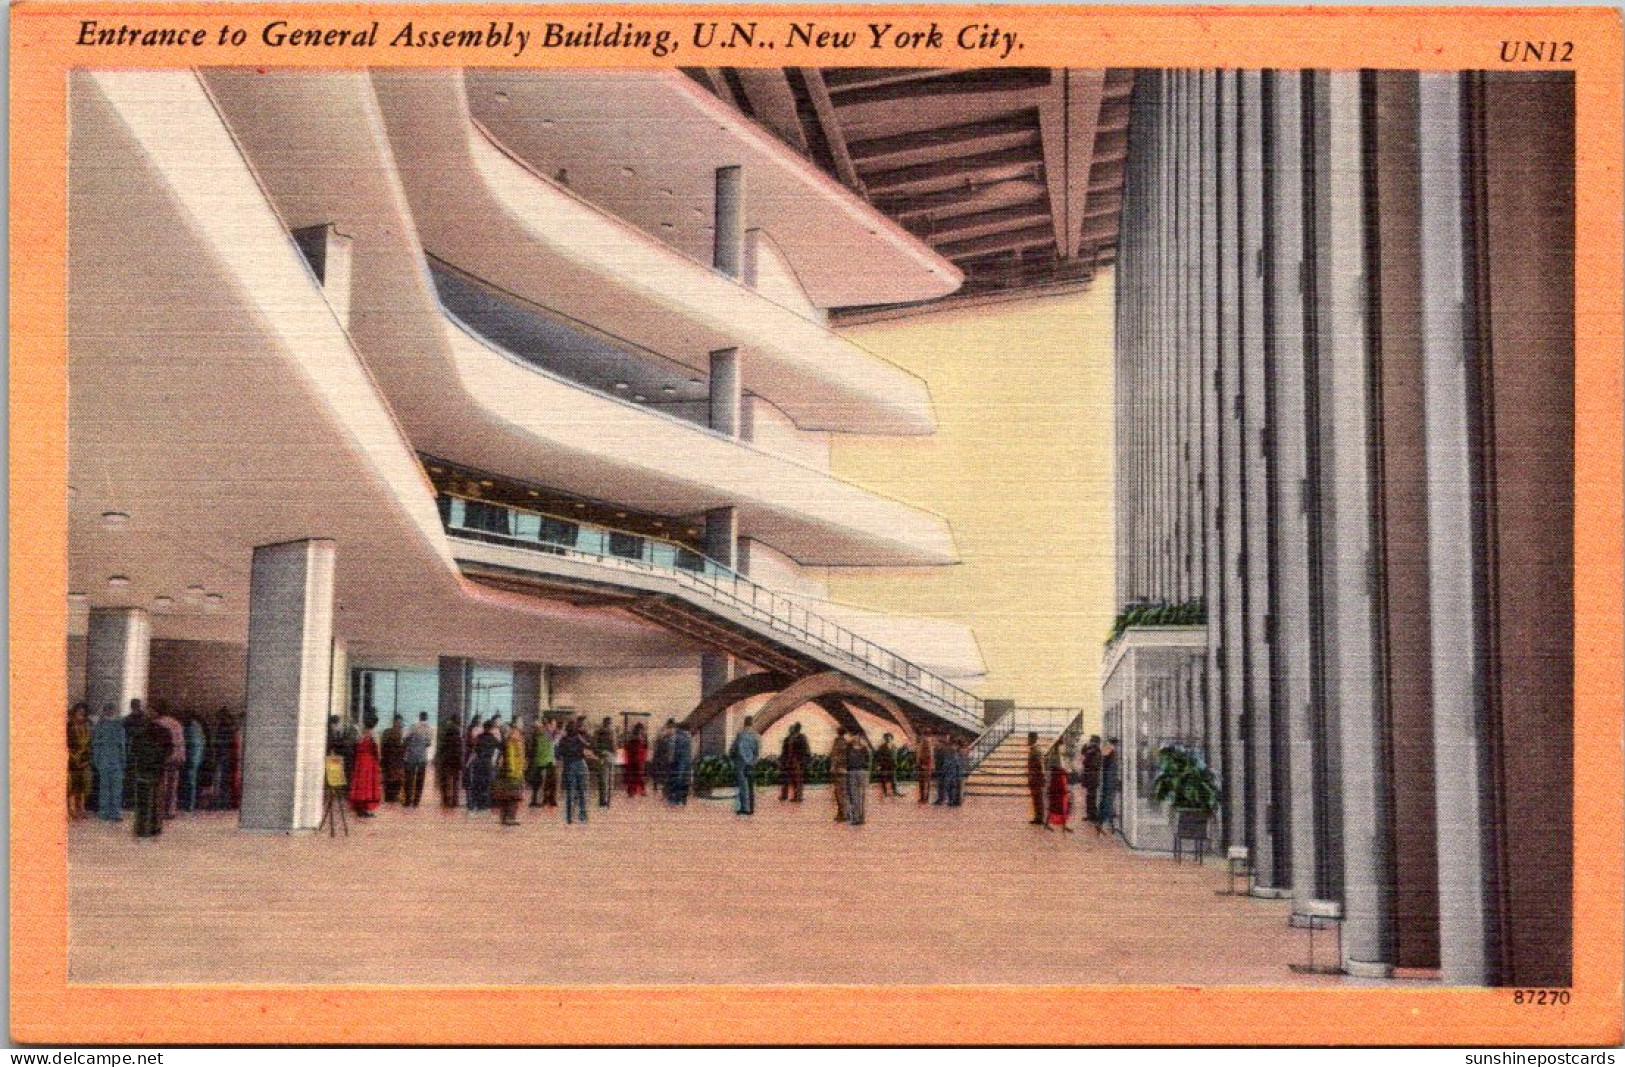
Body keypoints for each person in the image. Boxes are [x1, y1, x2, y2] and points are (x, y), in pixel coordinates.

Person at [129, 701, 171, 838]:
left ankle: (142, 828)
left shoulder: (140, 732)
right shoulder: (164, 732)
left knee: (143, 799)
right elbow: (168, 750)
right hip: (156, 769)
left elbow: (133, 750)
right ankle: (154, 828)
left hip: (143, 769)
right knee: (155, 799)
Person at [90, 703, 127, 822]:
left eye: (112, 709)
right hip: (106, 760)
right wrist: (96, 760)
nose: (111, 712)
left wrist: (123, 760)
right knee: (106, 787)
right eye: (109, 710)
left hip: (112, 760)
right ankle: (106, 812)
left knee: (114, 787)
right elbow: (95, 745)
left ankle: (113, 812)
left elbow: (122, 746)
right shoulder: (101, 726)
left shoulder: (116, 726)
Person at [556, 719, 597, 824]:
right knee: (582, 791)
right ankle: (582, 816)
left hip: (568, 765)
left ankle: (569, 817)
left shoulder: (563, 740)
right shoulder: (579, 738)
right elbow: (590, 746)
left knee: (570, 792)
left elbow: (558, 754)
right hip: (580, 764)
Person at [153, 703, 185, 820]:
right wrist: (182, 756)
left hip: (164, 757)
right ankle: (171, 811)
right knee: (173, 785)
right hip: (177, 757)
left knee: (162, 785)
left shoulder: (158, 723)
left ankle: (161, 810)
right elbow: (181, 742)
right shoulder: (177, 723)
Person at [349, 715, 384, 818]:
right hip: (370, 762)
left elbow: (355, 746)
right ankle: (367, 808)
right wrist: (379, 761)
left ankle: (360, 807)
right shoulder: (374, 734)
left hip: (360, 762)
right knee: (369, 785)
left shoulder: (360, 734)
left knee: (360, 784)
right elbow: (377, 750)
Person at [494, 717, 527, 825]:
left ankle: (505, 817)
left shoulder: (514, 736)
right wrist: (513, 768)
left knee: (507, 795)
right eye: (521, 722)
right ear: (516, 724)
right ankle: (509, 818)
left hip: (514, 769)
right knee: (513, 796)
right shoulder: (514, 737)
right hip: (514, 771)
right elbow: (511, 754)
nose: (522, 724)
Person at [729, 715, 761, 815]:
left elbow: (734, 749)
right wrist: (753, 761)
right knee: (751, 785)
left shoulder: (740, 735)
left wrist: (732, 756)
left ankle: (745, 808)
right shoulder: (756, 736)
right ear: (752, 723)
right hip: (751, 763)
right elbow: (757, 751)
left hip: (741, 763)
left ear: (744, 723)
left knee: (743, 785)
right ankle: (751, 808)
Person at [209, 708, 239, 810]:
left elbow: (220, 744)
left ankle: (223, 803)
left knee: (223, 781)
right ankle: (224, 803)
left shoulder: (224, 728)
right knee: (224, 781)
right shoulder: (230, 728)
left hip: (225, 756)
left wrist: (217, 754)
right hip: (227, 756)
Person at [468, 718, 500, 812]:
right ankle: (484, 805)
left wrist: (469, 763)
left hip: (478, 763)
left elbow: (473, 749)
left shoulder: (479, 737)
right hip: (488, 763)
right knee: (486, 785)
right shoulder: (493, 738)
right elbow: (502, 747)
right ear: (491, 728)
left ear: (484, 728)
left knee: (477, 784)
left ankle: (475, 804)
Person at [67, 703, 92, 820]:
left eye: (83, 713)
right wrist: (73, 757)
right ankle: (71, 809)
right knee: (72, 785)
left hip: (84, 759)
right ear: (74, 713)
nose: (81, 715)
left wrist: (87, 758)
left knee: (82, 786)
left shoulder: (85, 727)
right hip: (72, 759)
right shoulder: (69, 727)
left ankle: (80, 808)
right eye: (79, 712)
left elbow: (88, 743)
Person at [402, 713, 432, 807]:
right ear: (426, 718)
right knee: (420, 780)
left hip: (410, 756)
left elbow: (405, 738)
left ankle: (408, 800)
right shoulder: (429, 729)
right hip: (422, 757)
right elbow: (428, 743)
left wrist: (411, 745)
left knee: (409, 779)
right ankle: (416, 801)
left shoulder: (413, 727)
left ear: (419, 717)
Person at [843, 731, 872, 826]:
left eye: (856, 735)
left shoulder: (864, 749)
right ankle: (856, 818)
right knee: (854, 796)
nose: (855, 737)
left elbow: (869, 761)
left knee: (861, 796)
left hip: (861, 772)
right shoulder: (849, 748)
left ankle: (861, 818)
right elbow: (845, 759)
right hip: (852, 772)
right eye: (853, 736)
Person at [435, 715, 464, 808]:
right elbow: (460, 751)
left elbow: (441, 749)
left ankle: (446, 800)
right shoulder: (458, 739)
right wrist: (461, 763)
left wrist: (438, 759)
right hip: (455, 761)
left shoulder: (445, 738)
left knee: (446, 781)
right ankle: (455, 801)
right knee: (455, 782)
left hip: (446, 761)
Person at [182, 713, 208, 812]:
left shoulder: (190, 729)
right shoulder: (198, 729)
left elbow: (187, 744)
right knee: (192, 780)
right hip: (197, 757)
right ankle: (190, 804)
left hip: (191, 758)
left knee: (190, 780)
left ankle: (189, 805)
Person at [529, 717, 557, 807]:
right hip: (547, 761)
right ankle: (546, 800)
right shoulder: (546, 733)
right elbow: (551, 747)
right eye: (553, 725)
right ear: (547, 724)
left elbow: (533, 747)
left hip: (539, 761)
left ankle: (535, 800)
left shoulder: (537, 733)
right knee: (548, 782)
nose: (554, 727)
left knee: (537, 783)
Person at [1096, 738, 1121, 835]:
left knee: (1107, 803)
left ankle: (1108, 824)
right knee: (1108, 804)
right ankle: (1101, 823)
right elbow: (1111, 772)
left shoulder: (1108, 755)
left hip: (1107, 783)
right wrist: (1114, 783)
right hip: (1110, 784)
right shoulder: (1113, 755)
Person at [381, 714, 407, 804]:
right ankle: (390, 797)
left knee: (396, 779)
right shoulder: (389, 732)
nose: (399, 724)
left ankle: (392, 796)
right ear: (395, 722)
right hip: (391, 759)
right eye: (398, 722)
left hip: (396, 760)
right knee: (391, 779)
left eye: (400, 722)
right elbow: (384, 746)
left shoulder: (397, 732)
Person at [665, 723, 694, 806]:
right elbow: (690, 752)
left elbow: (671, 751)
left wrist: (670, 762)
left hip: (677, 762)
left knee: (675, 780)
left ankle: (674, 800)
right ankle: (682, 799)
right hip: (686, 763)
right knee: (684, 780)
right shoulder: (688, 737)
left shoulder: (675, 737)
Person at [592, 717, 618, 808]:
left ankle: (606, 801)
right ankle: (604, 801)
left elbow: (615, 746)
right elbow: (594, 747)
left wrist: (612, 754)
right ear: (604, 723)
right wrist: (603, 753)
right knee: (605, 780)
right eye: (608, 723)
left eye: (609, 723)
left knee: (607, 780)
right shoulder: (599, 733)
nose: (608, 725)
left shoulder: (611, 733)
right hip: (604, 757)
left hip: (607, 758)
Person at [1046, 752, 1073, 832]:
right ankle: (1058, 824)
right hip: (1061, 795)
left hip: (1059, 794)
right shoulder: (1060, 773)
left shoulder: (1056, 772)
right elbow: (1062, 784)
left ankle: (1062, 824)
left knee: (1057, 808)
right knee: (1060, 809)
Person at [1080, 735, 1103, 824]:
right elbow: (1083, 752)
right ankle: (1090, 815)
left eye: (1092, 741)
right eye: (1091, 741)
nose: (1091, 742)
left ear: (1096, 742)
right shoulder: (1092, 751)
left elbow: (1088, 762)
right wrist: (1086, 746)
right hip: (1090, 777)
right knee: (1089, 797)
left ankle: (1093, 815)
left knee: (1092, 797)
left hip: (1093, 778)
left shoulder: (1096, 752)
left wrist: (1086, 759)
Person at [828, 728, 850, 823]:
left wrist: (833, 767)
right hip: (844, 771)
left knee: (840, 793)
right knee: (841, 793)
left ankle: (843, 814)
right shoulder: (846, 743)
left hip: (839, 771)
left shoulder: (839, 742)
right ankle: (843, 813)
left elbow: (835, 756)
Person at [1025, 732, 1047, 826]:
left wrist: (1042, 776)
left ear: (1033, 739)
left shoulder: (1036, 750)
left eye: (1029, 738)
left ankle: (1040, 817)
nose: (1027, 740)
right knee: (1036, 798)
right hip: (1034, 777)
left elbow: (1041, 764)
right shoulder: (1034, 749)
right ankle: (1038, 817)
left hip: (1036, 778)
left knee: (1038, 798)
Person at [623, 721, 649, 798]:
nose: (643, 730)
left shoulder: (632, 737)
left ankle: (632, 791)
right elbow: (643, 748)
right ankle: (640, 791)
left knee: (634, 775)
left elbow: (627, 747)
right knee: (638, 774)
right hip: (638, 758)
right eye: (642, 729)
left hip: (633, 758)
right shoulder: (640, 737)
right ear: (639, 729)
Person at [650, 719, 674, 797]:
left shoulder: (666, 732)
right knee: (662, 771)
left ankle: (660, 787)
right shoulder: (667, 732)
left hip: (662, 755)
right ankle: (661, 787)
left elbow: (657, 742)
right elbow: (657, 741)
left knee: (661, 771)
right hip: (663, 755)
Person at [873, 733, 897, 798]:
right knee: (884, 779)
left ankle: (895, 791)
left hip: (892, 765)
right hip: (884, 765)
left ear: (892, 738)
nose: (888, 739)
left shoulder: (894, 746)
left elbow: (894, 756)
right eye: (887, 737)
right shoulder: (881, 747)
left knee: (893, 778)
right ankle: (885, 792)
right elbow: (877, 756)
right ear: (885, 738)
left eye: (889, 737)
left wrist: (895, 763)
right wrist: (878, 765)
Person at [916, 730, 935, 804]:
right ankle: (924, 798)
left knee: (924, 783)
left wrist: (925, 765)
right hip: (925, 766)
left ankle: (924, 799)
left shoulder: (926, 742)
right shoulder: (927, 743)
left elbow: (929, 756)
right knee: (924, 783)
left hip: (924, 767)